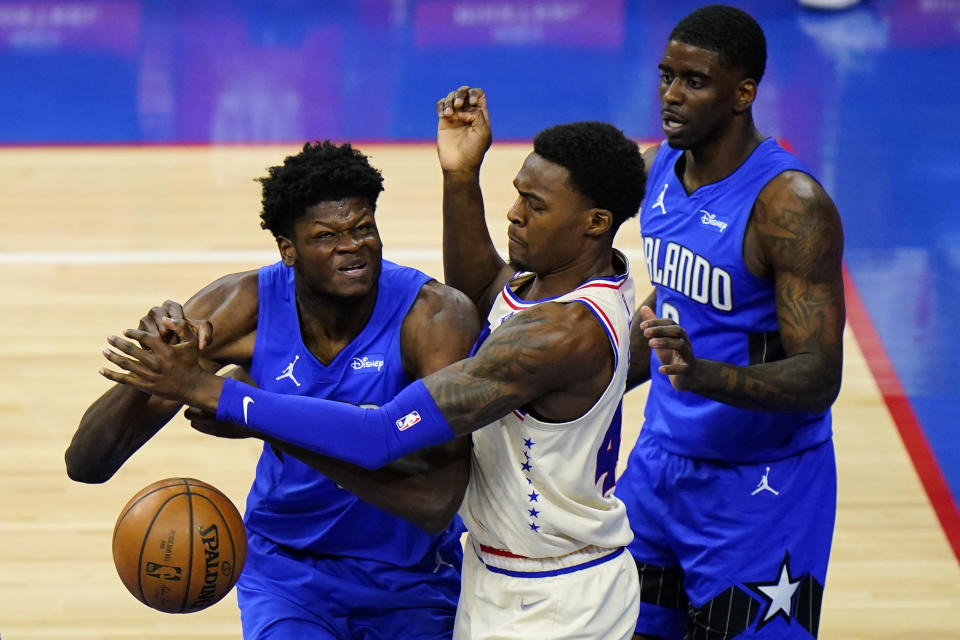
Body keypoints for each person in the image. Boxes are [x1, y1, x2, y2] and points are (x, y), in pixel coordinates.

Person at [98, 92, 648, 639]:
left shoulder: (559, 333)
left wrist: (217, 393)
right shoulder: (541, 291)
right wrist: (460, 175)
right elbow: (479, 289)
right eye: (518, 195)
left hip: (559, 596)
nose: (514, 212)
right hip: (500, 571)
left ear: (595, 222)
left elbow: (384, 433)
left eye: (536, 205)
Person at [65, 141, 480, 639]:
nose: (352, 247)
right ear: (288, 249)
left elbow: (434, 499)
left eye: (363, 227)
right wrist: (155, 363)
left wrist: (254, 413)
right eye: (327, 235)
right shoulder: (243, 305)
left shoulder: (434, 316)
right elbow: (87, 464)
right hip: (287, 573)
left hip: (412, 579)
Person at [615, 5, 846, 639]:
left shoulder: (791, 207)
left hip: (761, 488)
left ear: (743, 93)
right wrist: (463, 176)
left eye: (694, 81)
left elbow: (820, 375)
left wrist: (702, 373)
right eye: (666, 75)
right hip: (660, 465)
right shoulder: (657, 167)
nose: (671, 95)